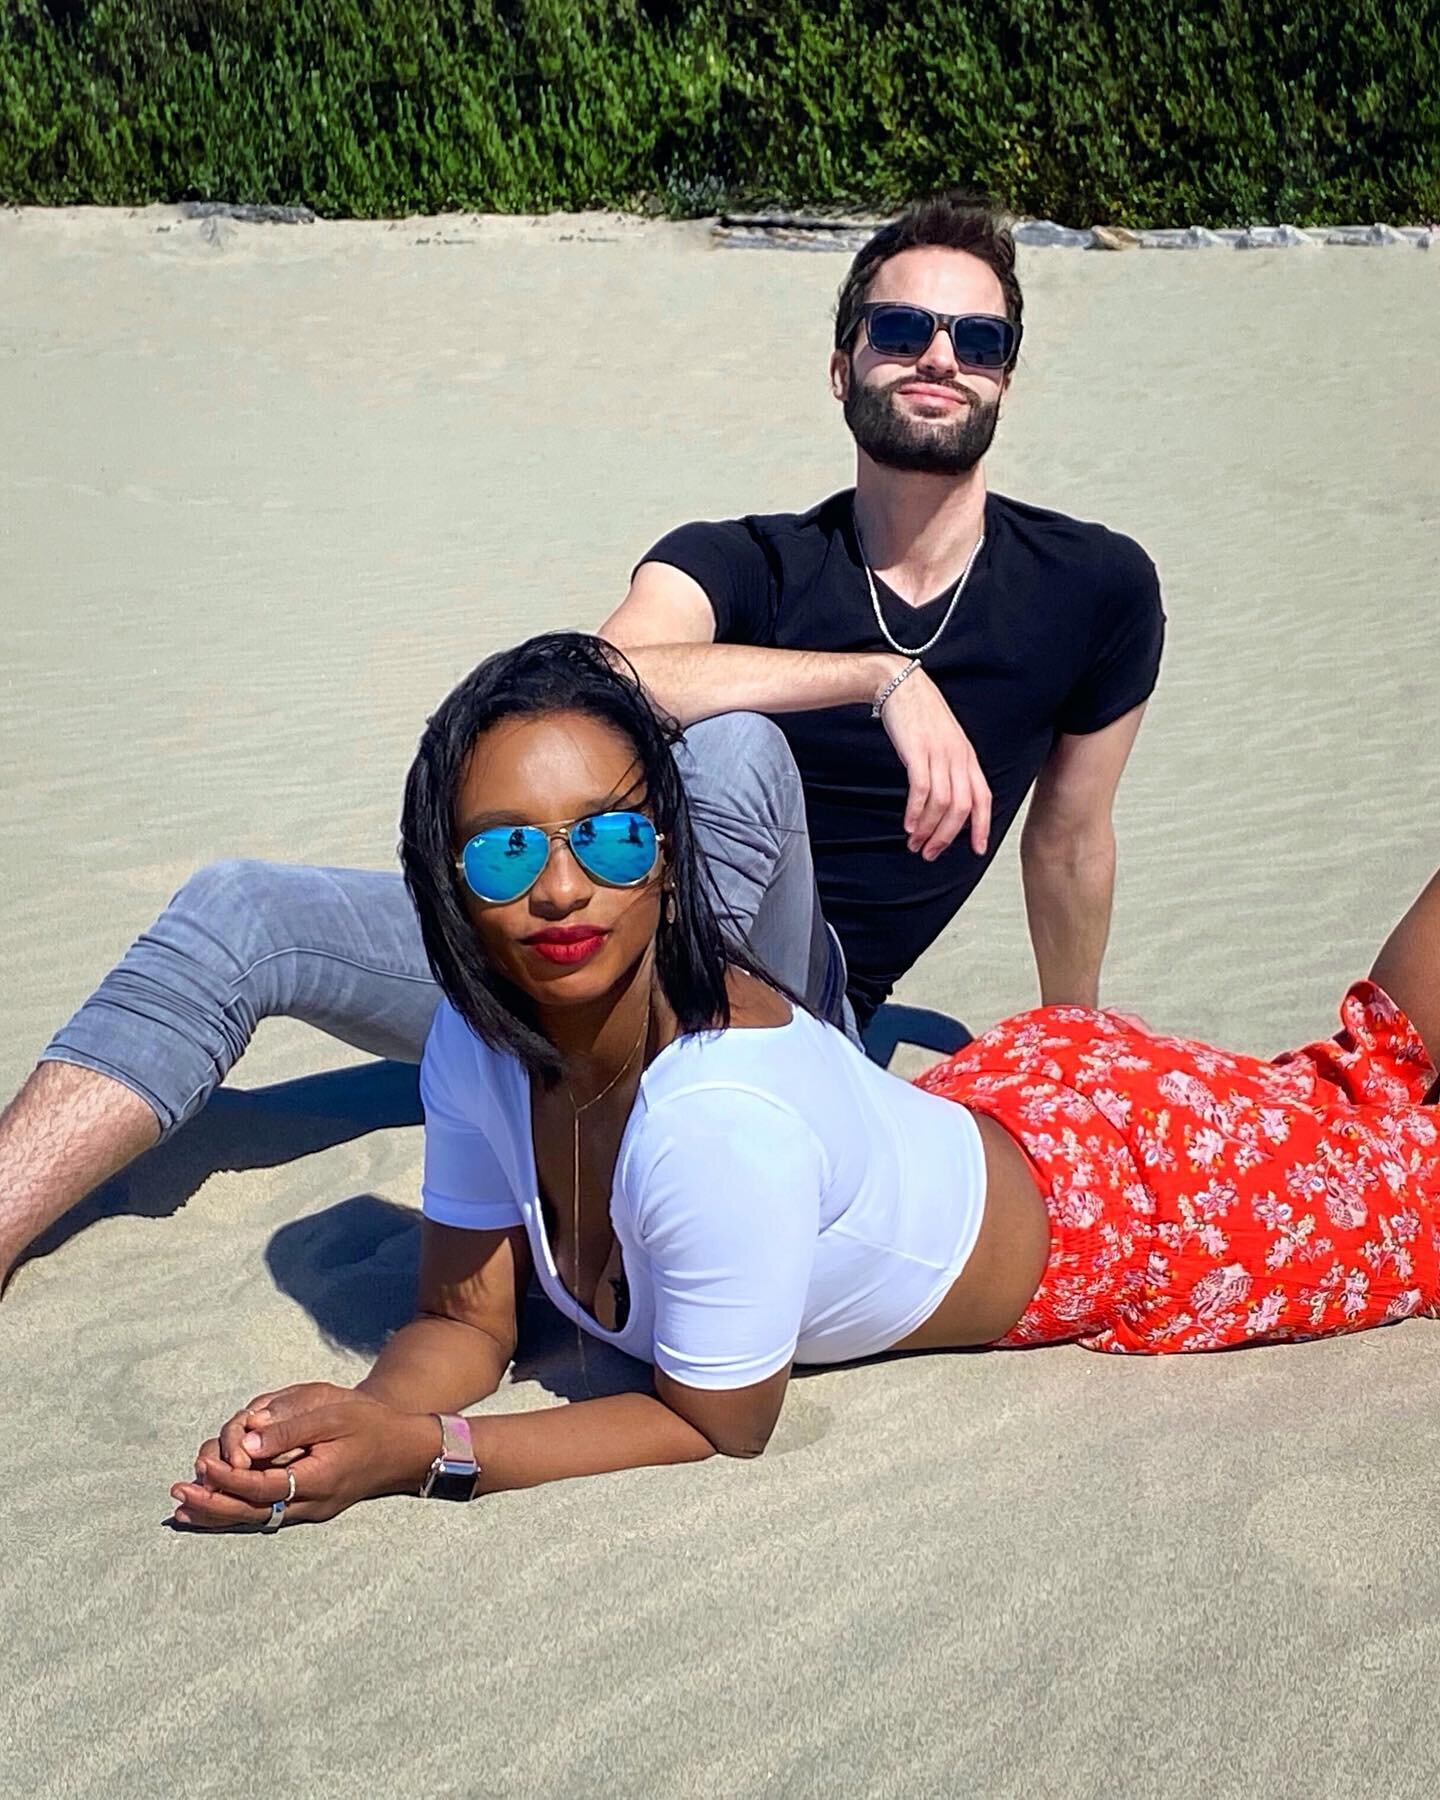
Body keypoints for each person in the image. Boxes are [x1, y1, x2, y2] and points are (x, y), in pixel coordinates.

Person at [0, 193, 1164, 1289]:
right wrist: (875, 679)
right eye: (902, 326)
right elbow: (585, 678)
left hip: (791, 1014)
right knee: (238, 908)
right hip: (576, 936)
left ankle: (611, 1174)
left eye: (978, 336)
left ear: (1007, 375)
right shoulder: (746, 557)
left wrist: (1080, 1049)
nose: (940, 355)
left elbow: (1067, 843)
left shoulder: (1092, 588)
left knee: (736, 752)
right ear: (843, 363)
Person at [170, 636, 1438, 1532]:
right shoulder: (478, 1043)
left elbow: (717, 1426)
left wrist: (429, 1459)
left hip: (1136, 1211)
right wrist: (365, 1413)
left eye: (609, 837)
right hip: (1016, 1106)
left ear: (666, 857)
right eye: (505, 853)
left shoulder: (717, 1125)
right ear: (446, 880)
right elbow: (470, 1321)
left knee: (1400, 1153)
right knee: (1362, 1081)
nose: (562, 890)